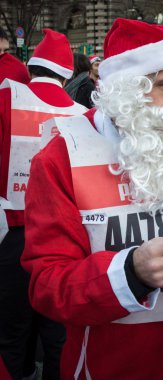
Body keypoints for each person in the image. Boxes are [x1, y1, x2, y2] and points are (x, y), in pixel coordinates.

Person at [22, 19, 163, 380]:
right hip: (108, 361)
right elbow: (47, 285)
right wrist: (131, 272)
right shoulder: (60, 158)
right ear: (125, 90)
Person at [0, 28, 86, 380]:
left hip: (12, 234)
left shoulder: (6, 98)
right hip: (63, 237)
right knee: (58, 330)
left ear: (32, 67)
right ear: (67, 74)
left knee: (11, 328)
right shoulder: (83, 114)